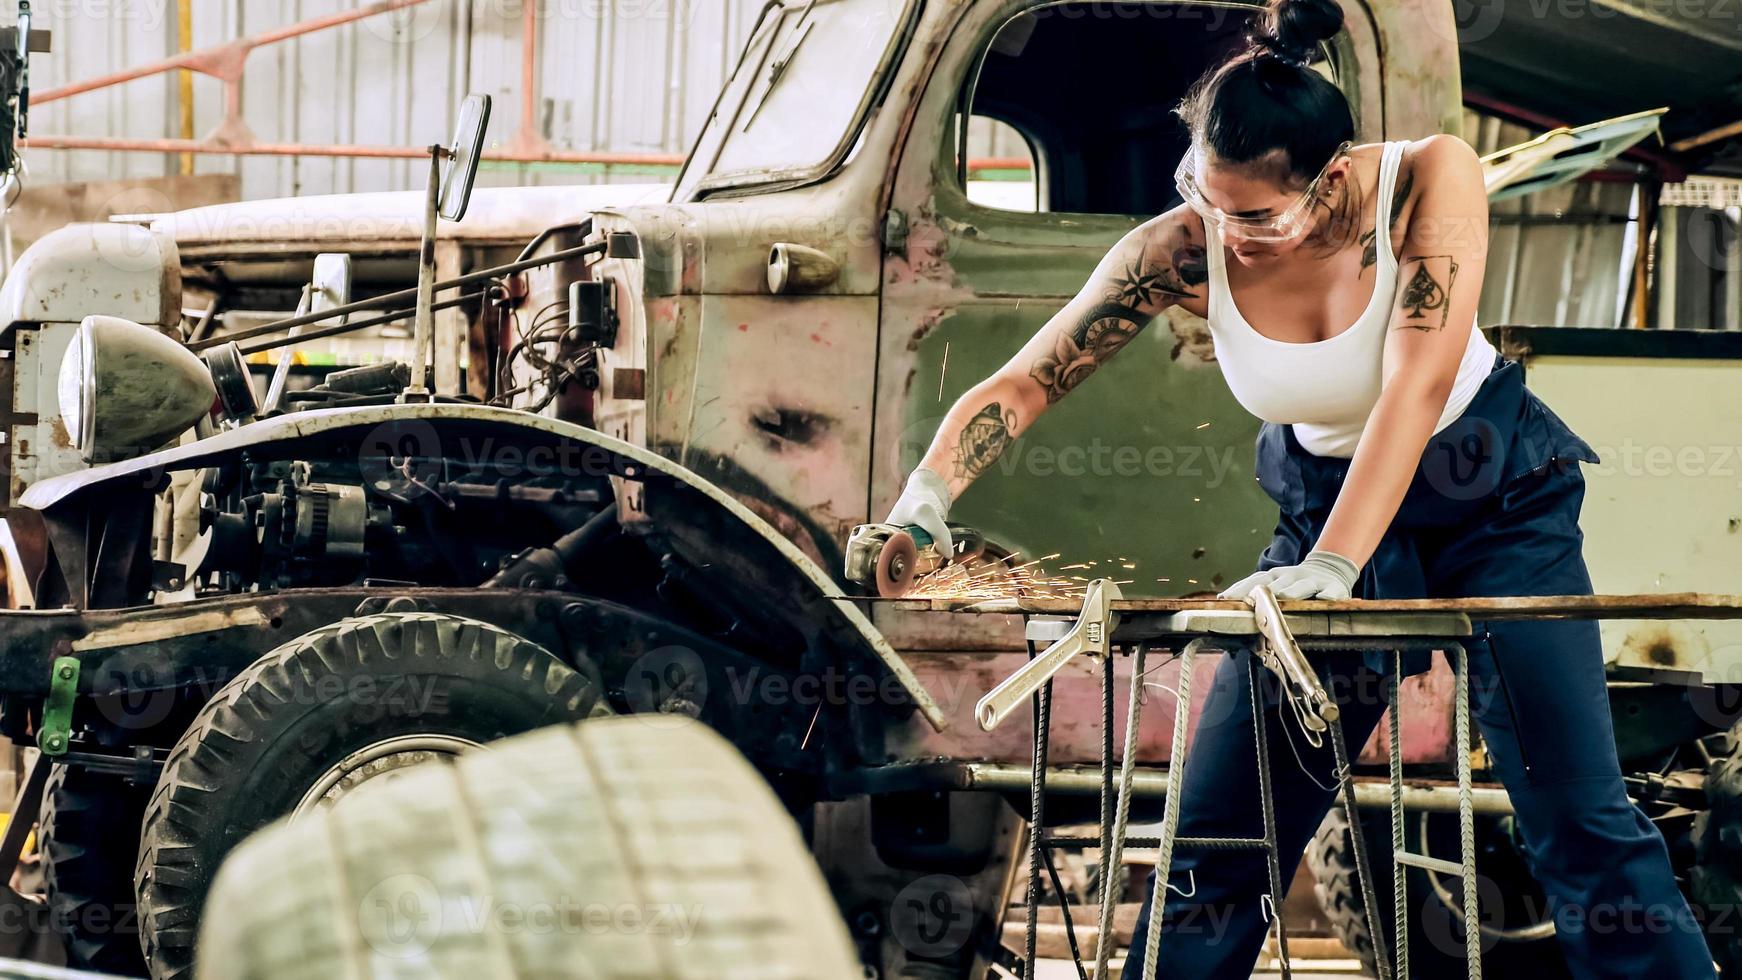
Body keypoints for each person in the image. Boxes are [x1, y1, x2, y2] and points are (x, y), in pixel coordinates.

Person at [885, 0, 1717, 975]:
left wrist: (1335, 567)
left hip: (1495, 510)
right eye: (1200, 189)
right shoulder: (1178, 250)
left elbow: (1410, 386)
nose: (1221, 230)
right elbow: (1026, 381)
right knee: (1218, 837)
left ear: (1326, 180)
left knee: (1578, 821)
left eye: (1251, 214)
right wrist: (924, 499)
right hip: (1324, 516)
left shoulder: (1424, 179)